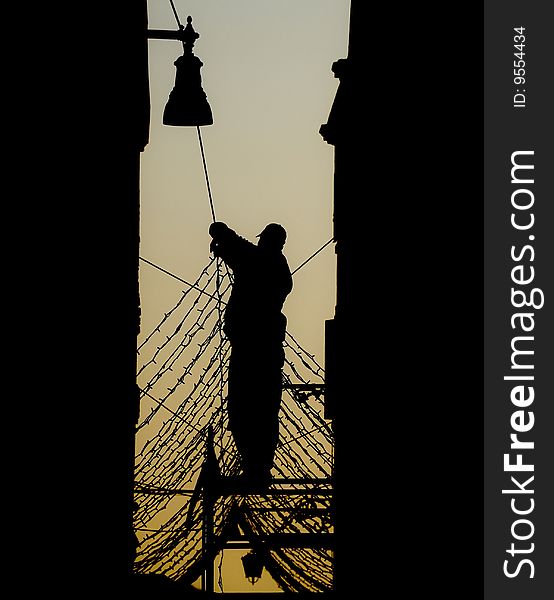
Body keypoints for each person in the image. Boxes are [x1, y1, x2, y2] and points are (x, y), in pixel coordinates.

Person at [209, 222, 293, 486]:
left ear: (268, 242)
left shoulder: (260, 262)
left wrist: (220, 235)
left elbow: (238, 247)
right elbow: (240, 253)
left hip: (249, 349)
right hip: (267, 351)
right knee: (265, 409)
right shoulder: (281, 272)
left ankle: (253, 463)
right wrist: (224, 248)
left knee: (244, 406)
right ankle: (259, 465)